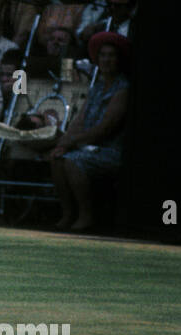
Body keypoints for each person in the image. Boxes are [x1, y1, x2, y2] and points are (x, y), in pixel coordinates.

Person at [50, 32, 131, 232]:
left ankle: (86, 215)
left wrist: (72, 143)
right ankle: (68, 213)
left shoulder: (124, 89)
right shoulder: (97, 87)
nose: (106, 60)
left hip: (110, 151)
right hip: (86, 145)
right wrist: (63, 143)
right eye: (103, 55)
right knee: (56, 158)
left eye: (111, 55)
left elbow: (105, 128)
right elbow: (81, 119)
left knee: (74, 161)